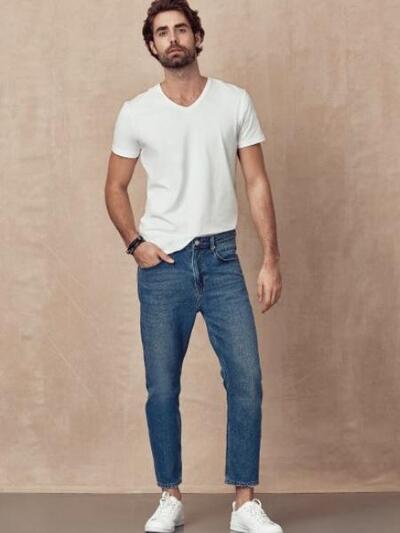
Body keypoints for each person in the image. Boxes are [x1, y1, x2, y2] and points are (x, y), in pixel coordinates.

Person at [104, 1, 283, 532]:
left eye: (181, 29)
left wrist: (271, 258)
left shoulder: (233, 101)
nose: (173, 38)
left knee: (246, 378)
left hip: (222, 259)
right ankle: (170, 496)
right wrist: (135, 243)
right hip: (163, 266)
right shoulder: (136, 112)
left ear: (198, 37)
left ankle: (244, 503)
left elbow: (256, 181)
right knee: (162, 387)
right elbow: (114, 188)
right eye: (162, 32)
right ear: (152, 45)